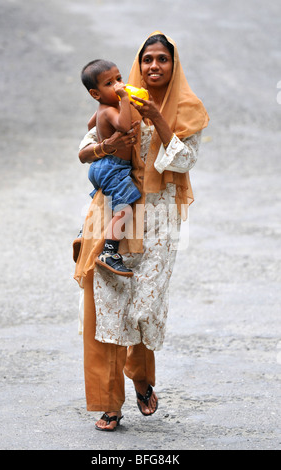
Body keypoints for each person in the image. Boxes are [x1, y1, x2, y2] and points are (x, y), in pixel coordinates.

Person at [74, 32, 209, 431]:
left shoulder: (188, 109)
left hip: (161, 220)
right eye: (147, 58)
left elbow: (183, 163)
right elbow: (85, 148)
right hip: (115, 213)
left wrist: (158, 118)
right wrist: (106, 145)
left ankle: (139, 368)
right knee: (108, 312)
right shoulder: (119, 97)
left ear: (173, 65)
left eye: (162, 59)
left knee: (142, 308)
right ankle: (110, 403)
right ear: (139, 63)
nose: (153, 66)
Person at [80, 59, 142, 277]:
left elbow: (90, 126)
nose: (118, 86)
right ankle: (109, 252)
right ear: (95, 94)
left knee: (107, 203)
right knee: (124, 209)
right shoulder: (110, 110)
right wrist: (125, 99)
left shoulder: (101, 110)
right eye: (110, 83)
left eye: (119, 79)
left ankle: (84, 233)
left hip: (101, 166)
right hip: (113, 167)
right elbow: (124, 126)